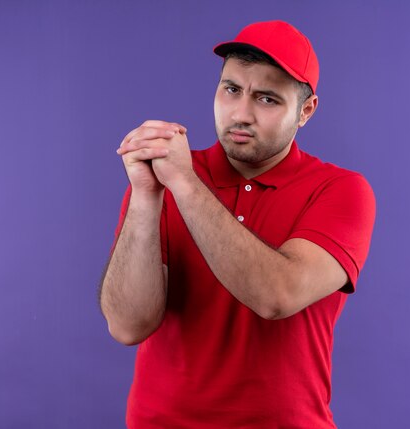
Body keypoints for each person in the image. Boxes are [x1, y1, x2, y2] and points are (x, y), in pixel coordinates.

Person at [99, 20, 376, 428]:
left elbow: (276, 295)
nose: (241, 113)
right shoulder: (164, 179)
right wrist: (145, 195)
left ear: (306, 111)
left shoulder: (340, 191)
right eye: (231, 90)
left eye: (266, 99)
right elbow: (128, 326)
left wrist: (185, 185)